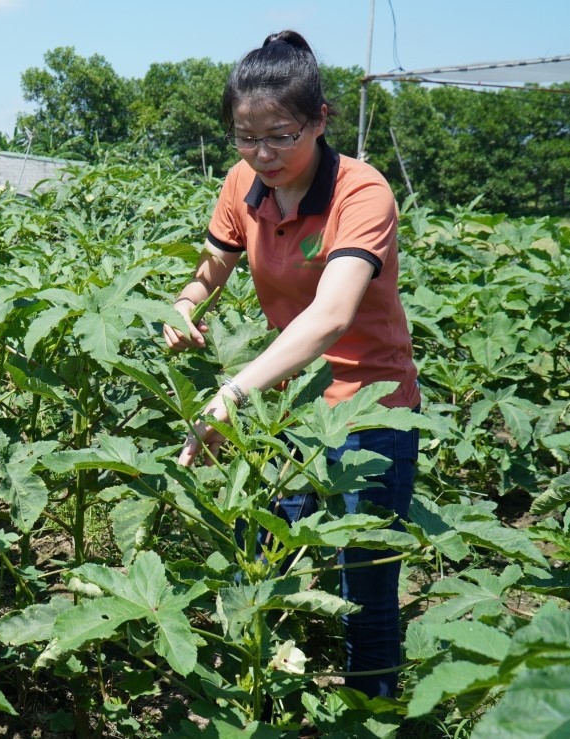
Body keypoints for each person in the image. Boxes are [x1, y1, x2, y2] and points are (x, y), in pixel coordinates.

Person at [163, 29, 421, 699]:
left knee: (362, 587)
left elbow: (332, 315)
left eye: (279, 135)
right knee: (265, 559)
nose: (261, 154)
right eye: (245, 137)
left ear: (319, 120)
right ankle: (270, 698)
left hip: (370, 406)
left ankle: (374, 710)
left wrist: (230, 392)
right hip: (286, 400)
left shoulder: (360, 194)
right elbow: (212, 268)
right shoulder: (242, 183)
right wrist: (183, 304)